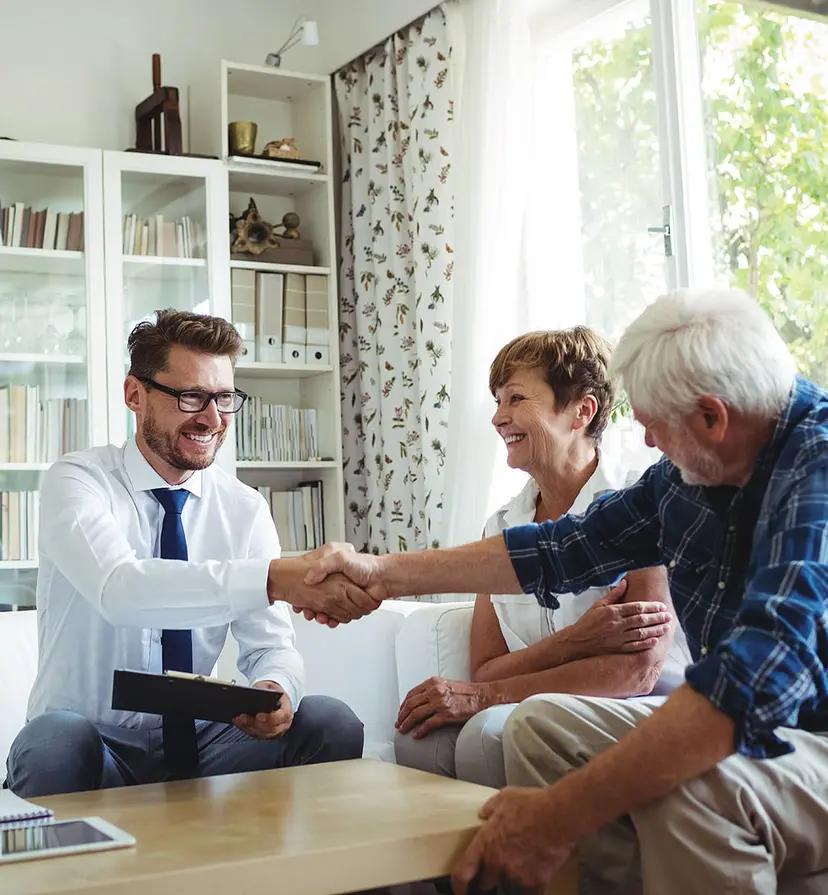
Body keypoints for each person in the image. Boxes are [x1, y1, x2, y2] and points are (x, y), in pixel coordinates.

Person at [304, 289, 828, 894]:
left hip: (807, 736)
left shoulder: (814, 468)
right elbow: (562, 548)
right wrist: (381, 572)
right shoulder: (686, 477)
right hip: (766, 734)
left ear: (713, 417)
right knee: (539, 728)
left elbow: (754, 682)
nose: (649, 443)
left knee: (693, 781)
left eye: (655, 426)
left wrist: (557, 814)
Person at [4, 309, 369, 798]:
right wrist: (271, 578)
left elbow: (270, 646)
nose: (213, 419)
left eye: (224, 398)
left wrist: (276, 687)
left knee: (328, 722)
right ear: (135, 395)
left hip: (204, 740)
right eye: (192, 397)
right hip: (94, 740)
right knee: (53, 742)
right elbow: (121, 590)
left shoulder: (243, 508)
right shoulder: (78, 481)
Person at [395, 327, 688, 787]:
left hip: (636, 701)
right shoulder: (501, 526)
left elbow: (636, 671)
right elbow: (485, 668)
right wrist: (574, 642)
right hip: (534, 699)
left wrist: (486, 696)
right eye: (497, 401)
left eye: (515, 398)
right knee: (419, 739)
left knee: (486, 732)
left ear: (582, 411)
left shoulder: (638, 506)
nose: (498, 418)